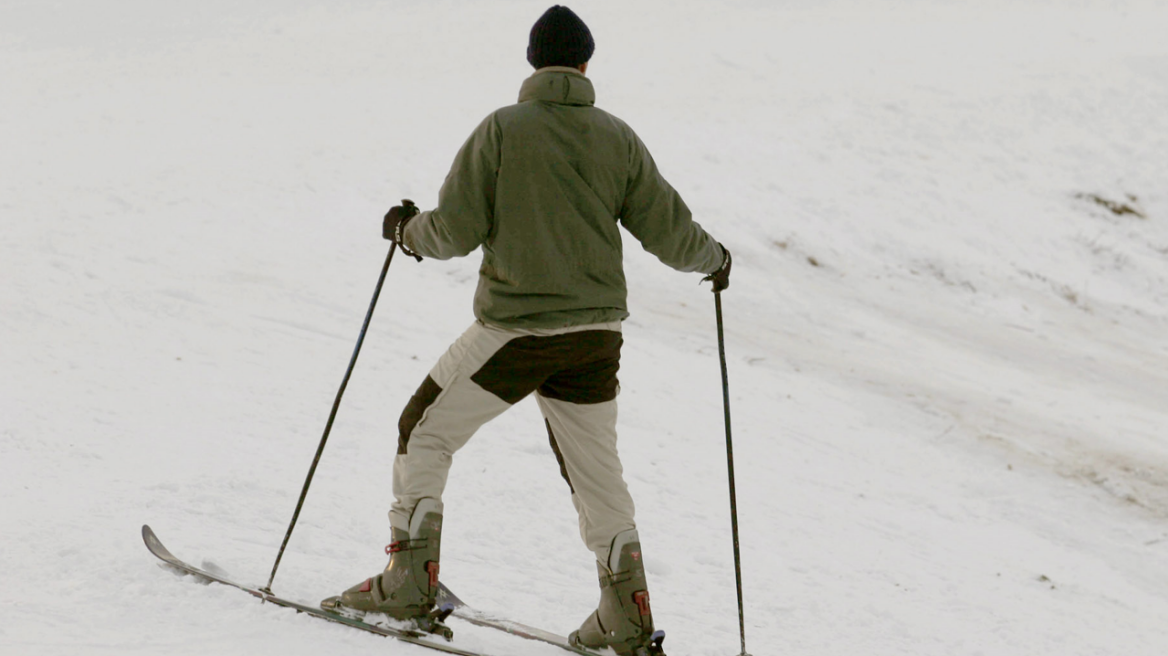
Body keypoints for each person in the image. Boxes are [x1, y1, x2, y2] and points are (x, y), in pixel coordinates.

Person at [323, 6, 731, 656]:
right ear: (586, 65)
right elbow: (670, 229)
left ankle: (408, 583)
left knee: (422, 431)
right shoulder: (617, 138)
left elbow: (453, 230)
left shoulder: (502, 131)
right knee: (598, 476)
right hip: (596, 337)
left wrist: (406, 231)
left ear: (534, 64)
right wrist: (716, 260)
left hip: (516, 332)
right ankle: (626, 616)